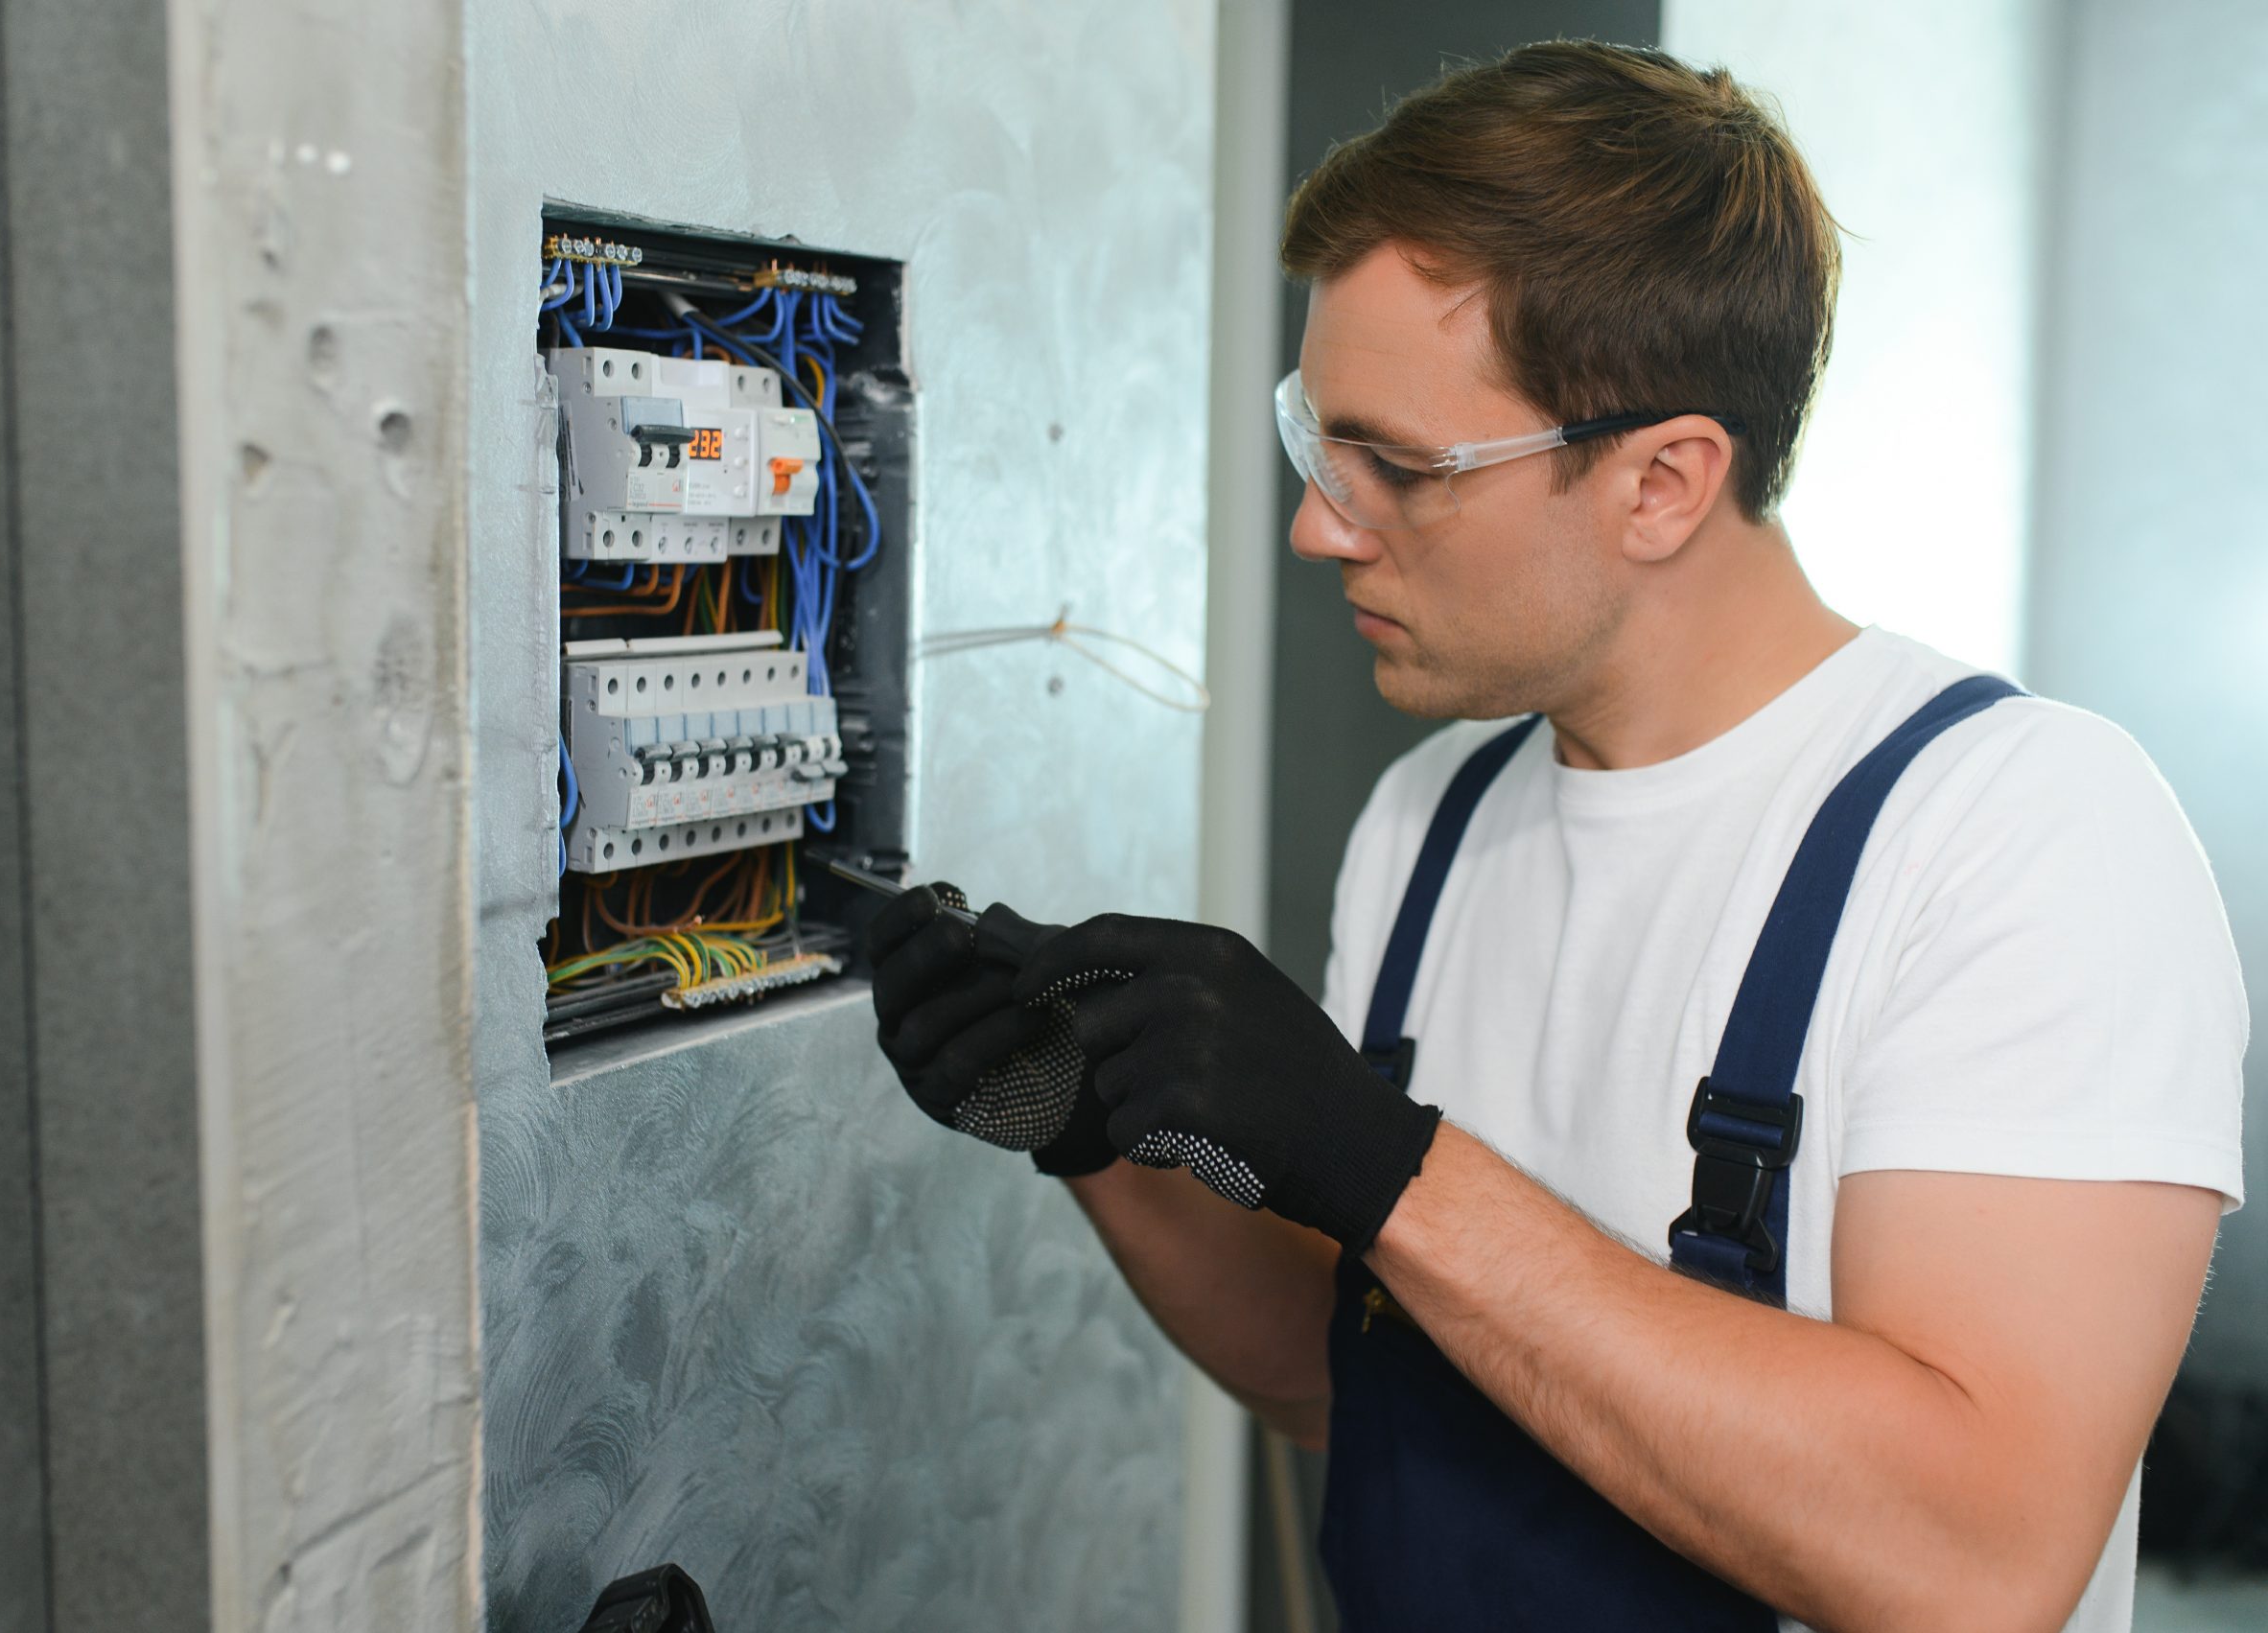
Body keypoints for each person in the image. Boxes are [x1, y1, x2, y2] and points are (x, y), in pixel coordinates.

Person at [864, 40, 2245, 1633]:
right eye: (1318, 444)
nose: (1318, 523)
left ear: (1662, 483)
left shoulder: (2021, 838)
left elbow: (1973, 1561)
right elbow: (1342, 1384)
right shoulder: (1431, 820)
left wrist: (1385, 1165)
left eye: (1399, 467)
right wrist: (1089, 1136)